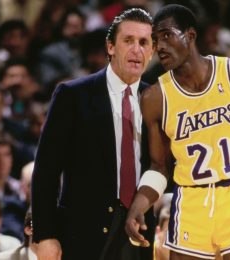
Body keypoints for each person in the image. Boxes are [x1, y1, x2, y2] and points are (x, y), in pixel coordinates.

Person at [125, 4, 230, 260]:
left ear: (190, 35)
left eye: (167, 35)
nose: (159, 46)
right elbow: (159, 166)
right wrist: (139, 203)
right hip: (191, 203)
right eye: (154, 40)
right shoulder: (154, 98)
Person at [31, 8, 155, 260]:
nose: (137, 49)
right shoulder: (72, 95)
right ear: (110, 46)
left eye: (144, 42)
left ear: (152, 52)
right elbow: (46, 171)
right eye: (128, 40)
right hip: (82, 235)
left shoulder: (156, 99)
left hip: (138, 232)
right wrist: (45, 235)